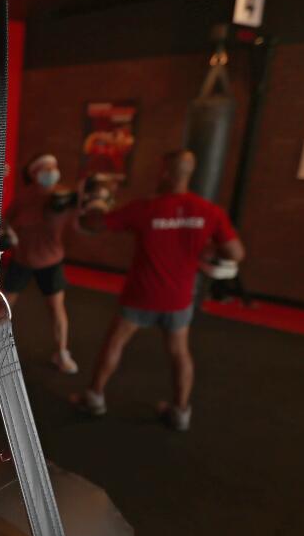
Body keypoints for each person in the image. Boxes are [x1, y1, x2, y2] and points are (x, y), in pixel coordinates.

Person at [73, 150, 245, 431]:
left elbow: (93, 223)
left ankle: (94, 398)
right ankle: (180, 412)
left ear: (166, 173)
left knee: (115, 343)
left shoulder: (145, 209)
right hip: (178, 299)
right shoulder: (210, 212)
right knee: (180, 352)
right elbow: (236, 253)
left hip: (141, 295)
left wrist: (97, 199)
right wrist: (207, 251)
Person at [0, 153, 80, 373]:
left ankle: (62, 353)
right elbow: (5, 222)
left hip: (51, 261)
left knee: (56, 309)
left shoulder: (63, 196)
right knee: (1, 307)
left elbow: (81, 219)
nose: (51, 172)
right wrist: (10, 232)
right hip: (23, 260)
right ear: (34, 174)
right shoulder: (24, 198)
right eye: (46, 169)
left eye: (53, 167)